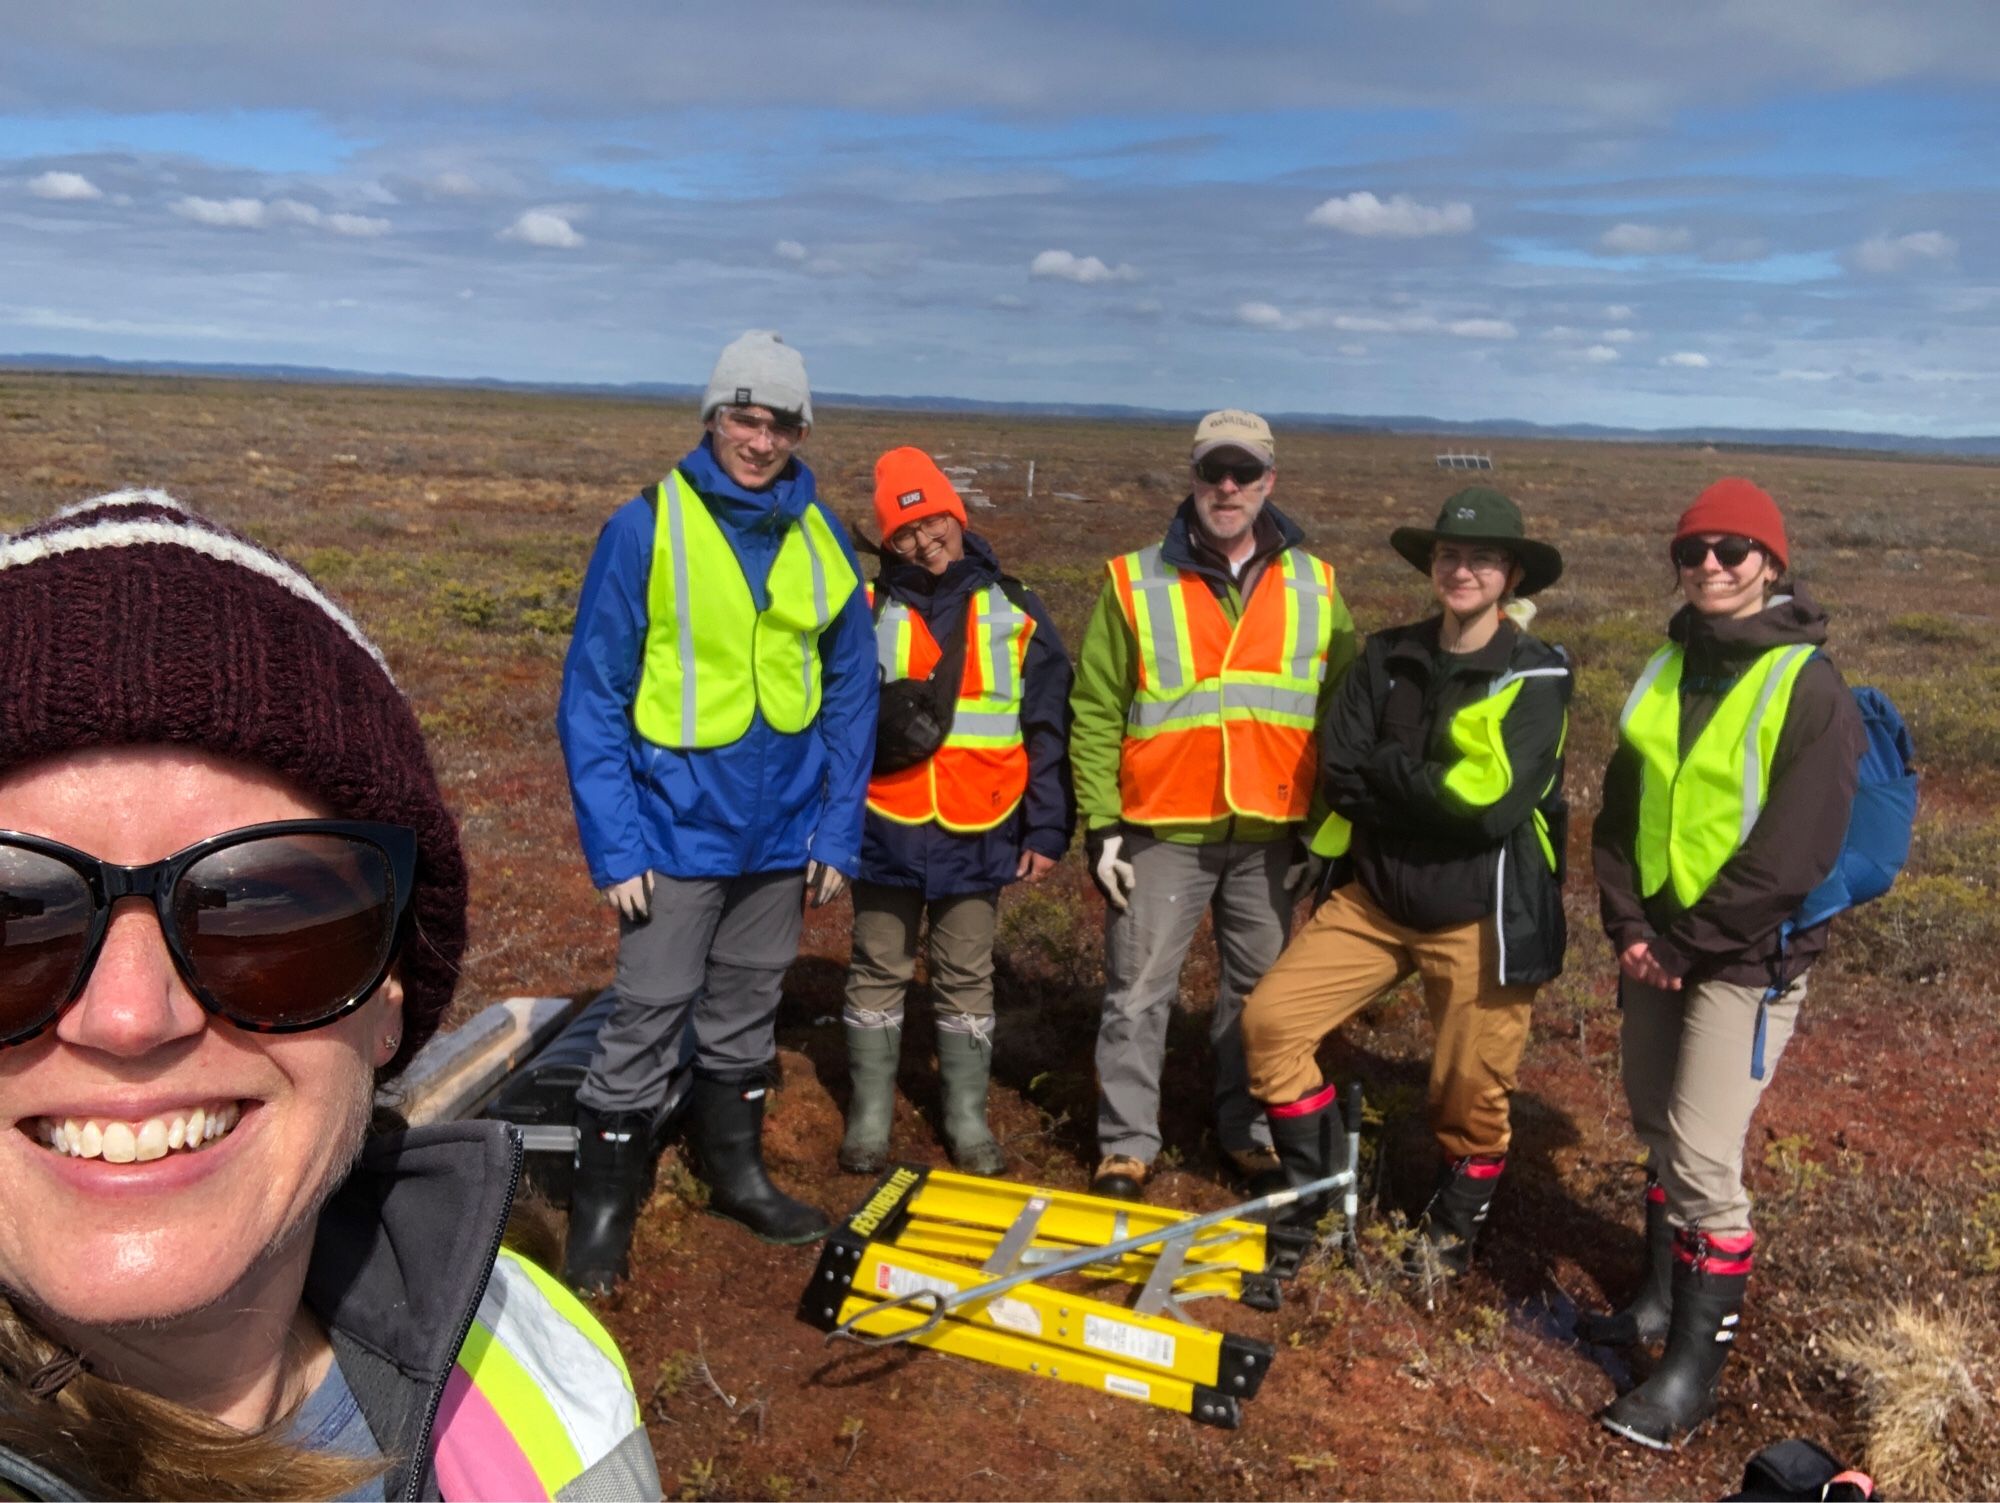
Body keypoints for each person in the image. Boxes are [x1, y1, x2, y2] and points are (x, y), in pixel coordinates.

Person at [0, 491, 658, 1501]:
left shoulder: (536, 1360)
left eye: (267, 917)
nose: (132, 1019)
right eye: (12, 927)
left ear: (392, 992)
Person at [558, 331, 876, 1287]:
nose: (762, 437)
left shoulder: (822, 535)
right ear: (713, 417)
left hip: (783, 833)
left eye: (781, 421)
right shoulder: (645, 527)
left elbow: (853, 689)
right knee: (648, 1012)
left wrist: (837, 828)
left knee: (747, 1007)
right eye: (746, 415)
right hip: (672, 830)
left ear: (802, 429)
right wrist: (615, 845)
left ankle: (735, 1169)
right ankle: (603, 1212)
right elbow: (593, 696)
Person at [1585, 477, 1862, 1450]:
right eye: (1692, 550)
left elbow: (1793, 853)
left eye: (1730, 551)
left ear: (1770, 565)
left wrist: (1678, 943)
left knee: (1702, 1158)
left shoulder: (1807, 688)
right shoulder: (1664, 666)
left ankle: (1689, 1381)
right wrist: (1626, 924)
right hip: (1653, 945)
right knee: (1657, 1126)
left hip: (1744, 959)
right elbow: (1619, 816)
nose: (1708, 565)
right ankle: (1656, 1305)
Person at [1240, 488, 1571, 1269]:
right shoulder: (1385, 657)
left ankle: (1448, 1238)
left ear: (1511, 574)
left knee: (1469, 1099)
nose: (1462, 570)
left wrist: (1393, 778)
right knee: (1270, 1026)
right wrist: (1426, 787)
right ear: (1432, 565)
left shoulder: (1537, 673)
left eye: (1482, 558)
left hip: (1479, 914)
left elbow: (1490, 811)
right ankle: (1318, 1192)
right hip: (1377, 902)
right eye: (1450, 555)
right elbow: (1342, 773)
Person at [1070, 410, 1357, 1201]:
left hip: (1271, 831)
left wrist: (1326, 827)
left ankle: (1252, 1132)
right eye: (1212, 472)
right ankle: (1126, 1144)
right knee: (1137, 989)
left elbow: (1345, 715)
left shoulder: (1317, 584)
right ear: (1191, 477)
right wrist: (1102, 824)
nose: (1226, 488)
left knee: (1261, 1000)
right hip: (1163, 827)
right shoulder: (1133, 579)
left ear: (1270, 480)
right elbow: (1095, 707)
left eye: (1243, 473)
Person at [840, 448, 1074, 1177]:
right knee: (878, 966)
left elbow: (1045, 724)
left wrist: (1046, 825)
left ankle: (965, 1116)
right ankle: (870, 1116)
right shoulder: (866, 611)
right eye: (903, 532)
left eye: (931, 519)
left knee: (966, 975)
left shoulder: (1016, 607)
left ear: (956, 515)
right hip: (886, 824)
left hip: (981, 824)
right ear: (887, 542)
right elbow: (837, 722)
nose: (922, 540)